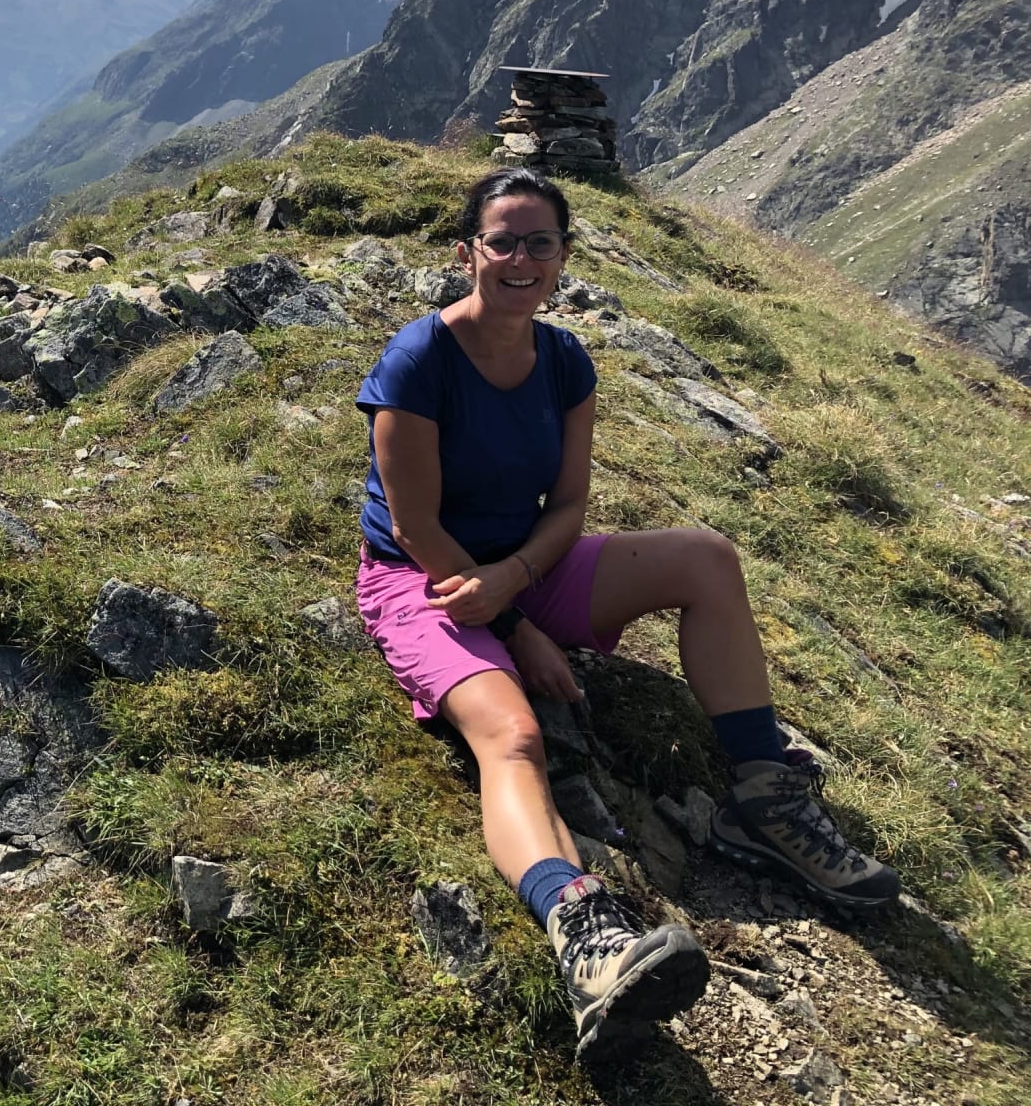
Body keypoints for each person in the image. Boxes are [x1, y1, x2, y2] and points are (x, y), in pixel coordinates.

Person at [354, 166, 898, 1063]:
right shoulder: (419, 361)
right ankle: (583, 931)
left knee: (707, 558)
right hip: (425, 579)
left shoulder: (564, 361)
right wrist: (515, 626)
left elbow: (570, 504)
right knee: (513, 735)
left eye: (540, 243)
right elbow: (414, 526)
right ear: (466, 253)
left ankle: (763, 797)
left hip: (525, 563)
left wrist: (520, 582)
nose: (521, 260)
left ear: (563, 256)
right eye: (502, 242)